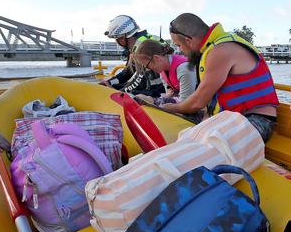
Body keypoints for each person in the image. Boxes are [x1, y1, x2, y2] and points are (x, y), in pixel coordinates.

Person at [162, 13, 279, 142]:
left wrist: (172, 108)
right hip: (233, 117)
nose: (180, 50)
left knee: (196, 141)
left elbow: (198, 102)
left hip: (257, 120)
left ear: (188, 41)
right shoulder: (218, 45)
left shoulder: (220, 51)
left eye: (179, 45)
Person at [100, 15, 165, 98]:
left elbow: (138, 80)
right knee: (118, 88)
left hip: (158, 91)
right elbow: (128, 72)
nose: (117, 42)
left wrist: (118, 92)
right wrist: (109, 82)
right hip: (156, 86)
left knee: (122, 92)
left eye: (116, 39)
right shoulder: (141, 41)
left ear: (122, 38)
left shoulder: (141, 48)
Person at [133, 40, 198, 107]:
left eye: (147, 65)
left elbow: (185, 104)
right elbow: (171, 94)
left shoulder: (184, 69)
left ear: (157, 58)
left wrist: (152, 100)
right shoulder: (162, 71)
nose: (147, 69)